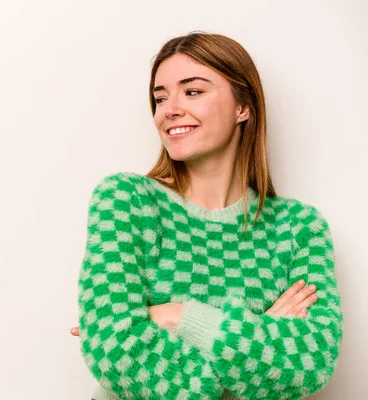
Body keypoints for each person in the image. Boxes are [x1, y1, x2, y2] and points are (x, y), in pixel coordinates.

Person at [72, 32, 343, 400]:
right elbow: (115, 351)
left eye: (193, 91)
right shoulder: (126, 201)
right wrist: (260, 333)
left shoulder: (298, 228)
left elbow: (311, 364)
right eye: (160, 97)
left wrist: (178, 317)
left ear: (242, 107)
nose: (169, 109)